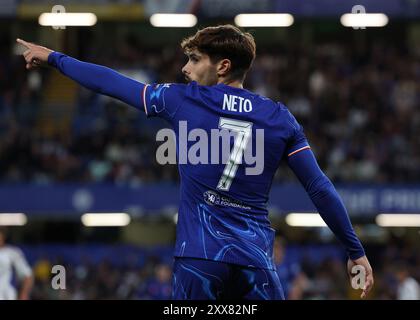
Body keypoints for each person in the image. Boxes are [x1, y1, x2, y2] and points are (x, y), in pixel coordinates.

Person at [16, 24, 373, 300]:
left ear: (223, 66)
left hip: (199, 260)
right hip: (254, 263)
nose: (185, 69)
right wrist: (354, 250)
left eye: (194, 59)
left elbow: (112, 83)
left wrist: (54, 57)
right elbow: (318, 187)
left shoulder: (181, 100)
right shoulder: (280, 118)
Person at [0, 227, 33, 300]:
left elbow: (27, 276)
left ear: (3, 236)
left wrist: (24, 294)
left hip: (5, 296)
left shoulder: (12, 253)